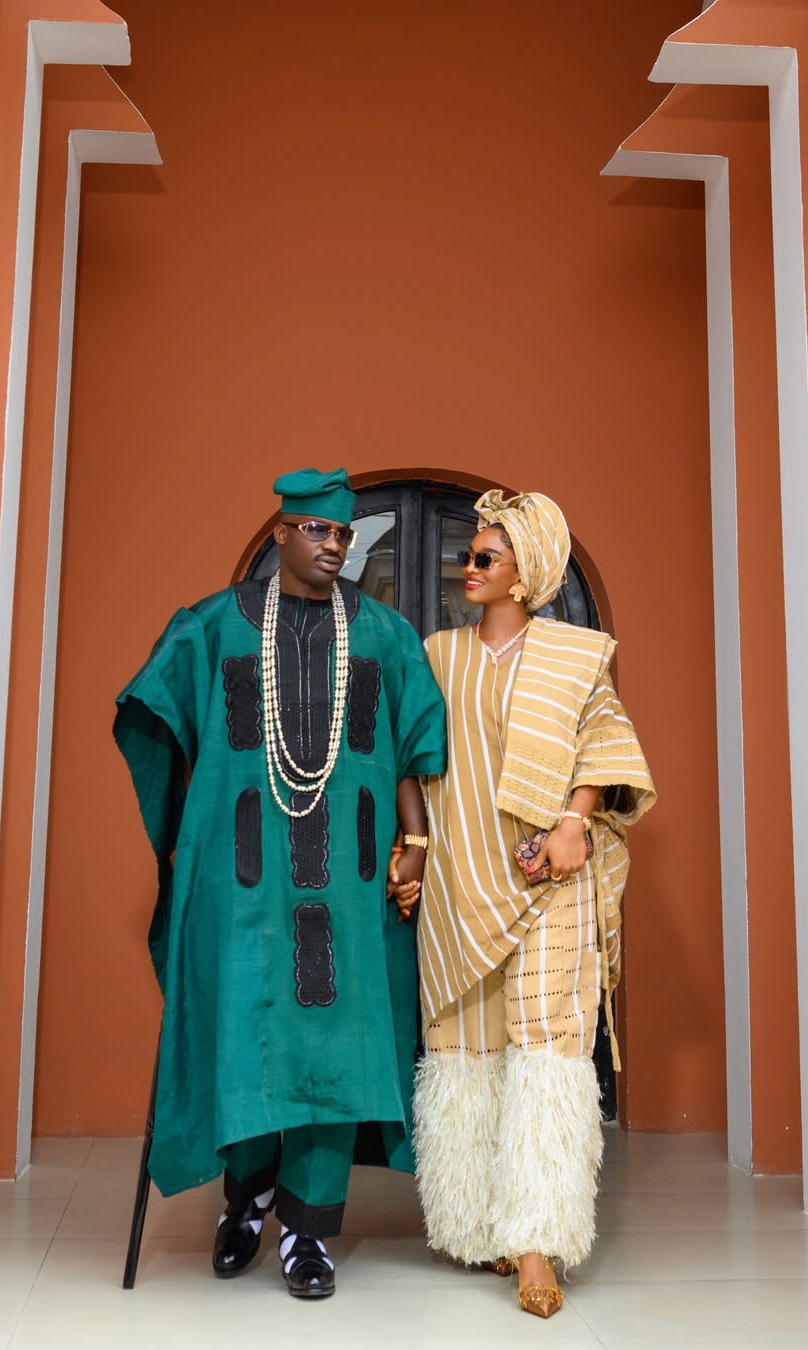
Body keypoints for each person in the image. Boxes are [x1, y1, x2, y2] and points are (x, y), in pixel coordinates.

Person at [114, 467, 447, 1299]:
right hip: (243, 878)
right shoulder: (211, 628)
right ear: (280, 535)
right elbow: (152, 715)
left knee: (337, 1055)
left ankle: (307, 1234)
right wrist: (194, 826)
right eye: (318, 531)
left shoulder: (384, 635)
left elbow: (412, 742)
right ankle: (246, 1199)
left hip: (352, 877)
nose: (335, 546)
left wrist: (416, 839)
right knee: (246, 1038)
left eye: (344, 535)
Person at [408, 488, 655, 1318]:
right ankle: (479, 1227)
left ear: (526, 575)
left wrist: (574, 823)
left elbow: (605, 743)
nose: (466, 568)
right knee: (466, 1053)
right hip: (460, 877)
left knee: (549, 1051)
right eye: (468, 555)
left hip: (549, 875)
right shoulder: (437, 654)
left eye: (486, 558)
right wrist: (411, 852)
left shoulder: (575, 655)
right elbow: (410, 753)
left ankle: (537, 1240)